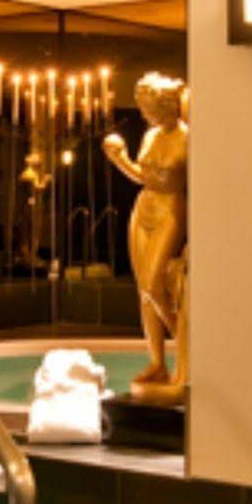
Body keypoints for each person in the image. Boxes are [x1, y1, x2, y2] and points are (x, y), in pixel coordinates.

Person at [102, 72, 188, 395]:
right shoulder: (150, 136)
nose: (144, 115)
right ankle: (157, 361)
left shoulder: (188, 138)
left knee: (154, 284)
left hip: (170, 208)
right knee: (143, 291)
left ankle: (186, 344)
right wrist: (119, 159)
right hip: (144, 207)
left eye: (149, 109)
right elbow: (143, 176)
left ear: (166, 106)